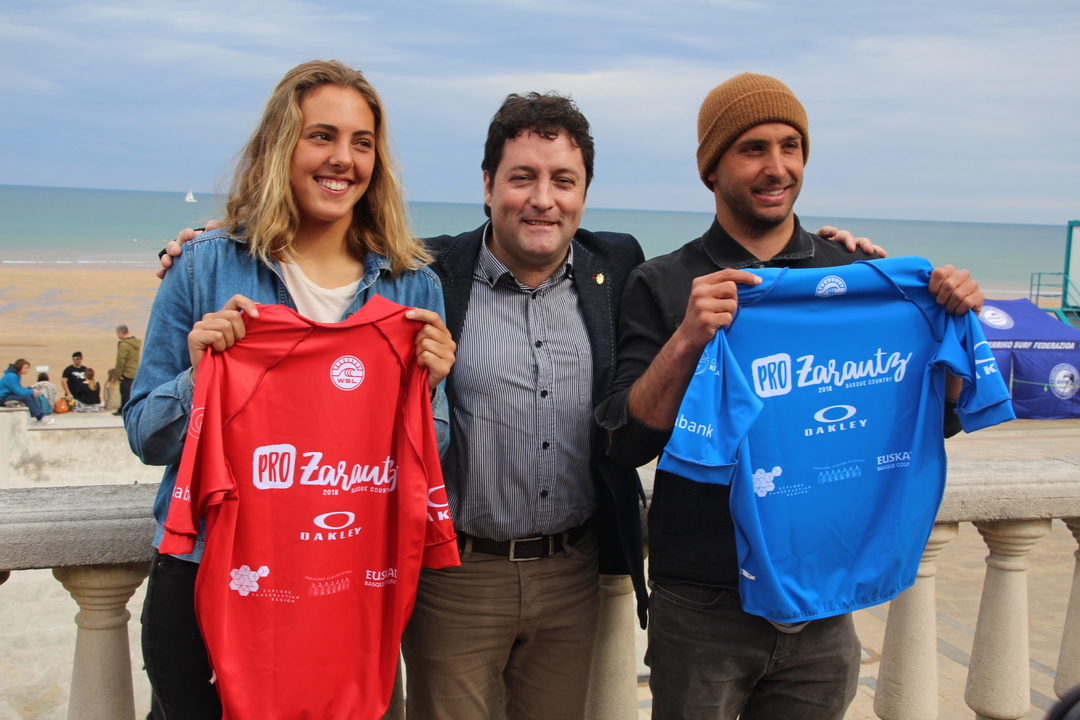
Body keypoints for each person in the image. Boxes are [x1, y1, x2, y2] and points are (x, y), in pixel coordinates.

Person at [162, 94, 877, 720]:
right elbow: (339, 267)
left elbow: (722, 268)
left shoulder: (618, 266)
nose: (543, 199)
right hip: (456, 577)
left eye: (564, 180)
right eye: (522, 177)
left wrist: (834, 256)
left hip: (575, 572)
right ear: (487, 186)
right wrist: (219, 243)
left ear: (585, 193)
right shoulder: (428, 274)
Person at [597, 72, 983, 720]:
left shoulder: (853, 272)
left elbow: (929, 418)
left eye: (790, 146)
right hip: (703, 603)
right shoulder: (661, 283)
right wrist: (687, 339)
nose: (777, 167)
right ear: (711, 169)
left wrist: (943, 317)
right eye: (752, 149)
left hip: (824, 597)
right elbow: (625, 438)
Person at [126, 59, 456, 719]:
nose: (343, 159)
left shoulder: (413, 286)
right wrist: (201, 378)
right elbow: (146, 436)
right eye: (321, 136)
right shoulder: (203, 267)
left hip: (344, 579)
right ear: (281, 146)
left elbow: (426, 454)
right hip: (208, 572)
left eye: (362, 143)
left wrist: (428, 389)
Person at [1, 359, 53, 424]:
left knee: (29, 392)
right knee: (26, 396)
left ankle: (41, 415)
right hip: (2, 398)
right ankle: (40, 417)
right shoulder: (12, 376)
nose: (27, 370)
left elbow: (17, 389)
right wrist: (32, 391)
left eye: (28, 368)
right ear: (19, 367)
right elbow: (18, 391)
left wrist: (30, 391)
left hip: (8, 395)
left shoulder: (16, 375)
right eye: (25, 368)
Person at [113, 325, 142, 415]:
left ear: (121, 332)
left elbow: (121, 360)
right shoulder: (135, 343)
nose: (117, 335)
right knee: (129, 391)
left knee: (125, 392)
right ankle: (122, 408)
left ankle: (126, 410)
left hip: (126, 372)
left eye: (118, 333)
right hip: (134, 370)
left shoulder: (124, 345)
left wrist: (118, 374)